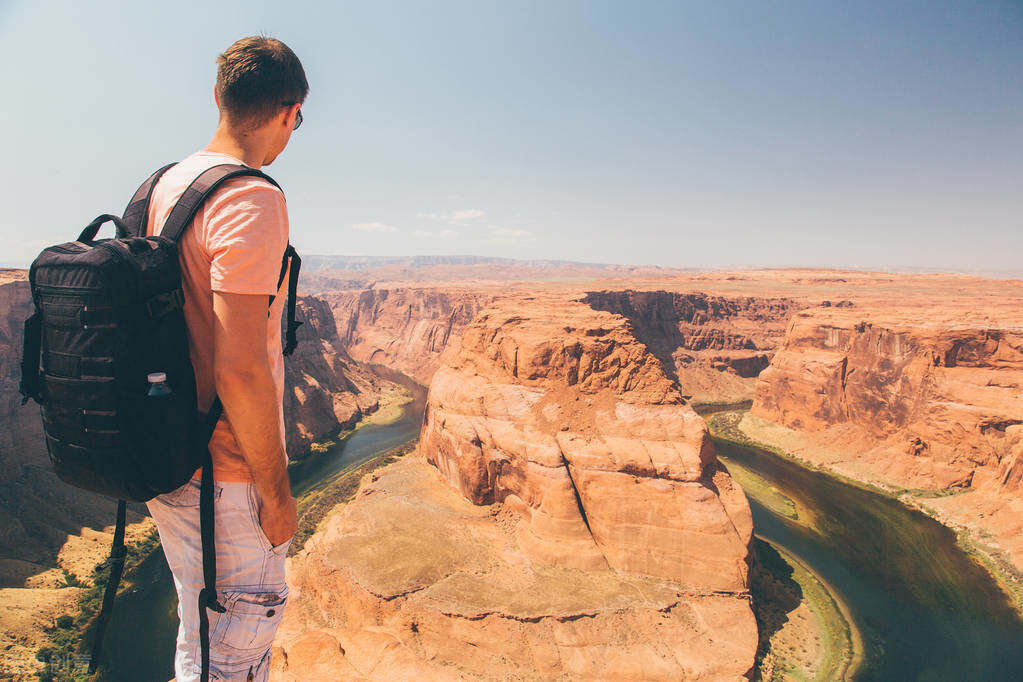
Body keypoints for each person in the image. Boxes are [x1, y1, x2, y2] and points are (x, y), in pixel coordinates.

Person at [143, 35, 308, 682]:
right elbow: (240, 367)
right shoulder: (251, 198)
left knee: (200, 633)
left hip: (164, 455)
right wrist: (276, 493)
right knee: (235, 651)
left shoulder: (160, 187)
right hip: (225, 475)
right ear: (290, 112)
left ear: (218, 98)